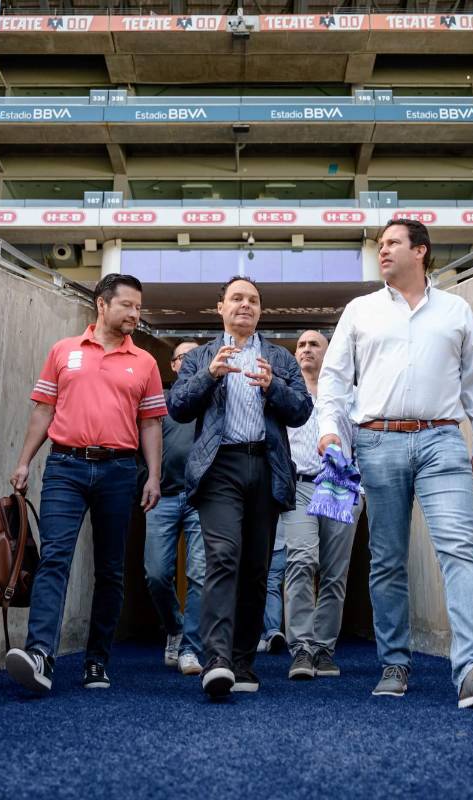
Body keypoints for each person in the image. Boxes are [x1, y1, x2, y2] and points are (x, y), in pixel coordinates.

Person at [316, 219, 473, 707]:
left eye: (392, 243)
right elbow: (335, 378)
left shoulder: (455, 310)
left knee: (460, 550)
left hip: (442, 441)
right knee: (387, 558)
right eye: (380, 245)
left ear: (420, 251)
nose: (382, 251)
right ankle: (394, 663)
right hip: (376, 442)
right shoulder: (360, 311)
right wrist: (329, 430)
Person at [4, 273, 165, 694]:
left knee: (110, 569)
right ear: (102, 304)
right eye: (127, 305)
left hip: (120, 471)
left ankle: (97, 660)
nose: (135, 314)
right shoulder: (64, 351)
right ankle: (40, 655)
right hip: (65, 467)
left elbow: (150, 423)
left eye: (138, 307)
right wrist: (24, 462)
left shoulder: (145, 362)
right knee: (54, 559)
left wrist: (153, 476)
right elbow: (43, 410)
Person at [168, 276, 313, 698]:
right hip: (219, 468)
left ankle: (243, 660)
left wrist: (274, 387)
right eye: (236, 298)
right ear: (221, 308)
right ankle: (216, 660)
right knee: (223, 557)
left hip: (266, 466)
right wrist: (209, 376)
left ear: (260, 310)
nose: (245, 305)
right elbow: (178, 407)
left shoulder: (279, 358)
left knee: (255, 568)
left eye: (252, 300)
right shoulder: (201, 356)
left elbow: (302, 411)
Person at [281, 330, 363, 681]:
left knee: (334, 572)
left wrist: (362, 487)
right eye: (301, 345)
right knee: (301, 560)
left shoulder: (350, 395)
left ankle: (324, 649)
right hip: (300, 486)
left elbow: (365, 441)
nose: (306, 349)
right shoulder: (285, 395)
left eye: (314, 344)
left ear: (328, 354)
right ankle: (301, 648)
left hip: (340, 486)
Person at [143, 341, 207, 676]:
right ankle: (176, 627)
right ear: (173, 365)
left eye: (197, 356)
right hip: (163, 497)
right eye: (184, 356)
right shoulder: (160, 401)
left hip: (202, 499)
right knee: (156, 574)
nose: (191, 361)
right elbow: (140, 442)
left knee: (200, 575)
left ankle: (190, 647)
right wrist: (145, 480)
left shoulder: (213, 399)